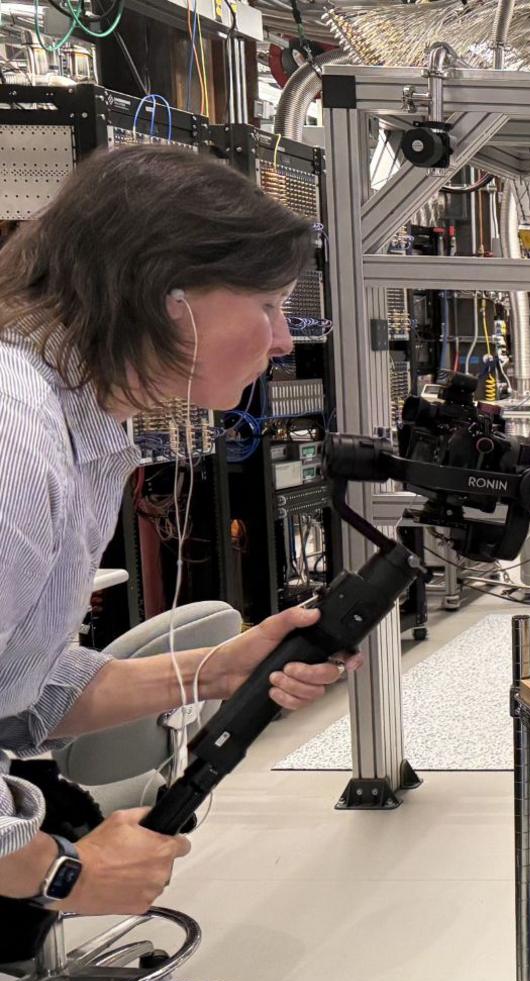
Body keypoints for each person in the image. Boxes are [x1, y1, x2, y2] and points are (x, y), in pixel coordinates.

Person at [0, 146, 360, 920]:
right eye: (267, 305)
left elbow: (20, 693)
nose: (283, 340)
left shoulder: (79, 426)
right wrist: (57, 873)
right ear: (170, 298)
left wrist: (220, 669)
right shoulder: (14, 438)